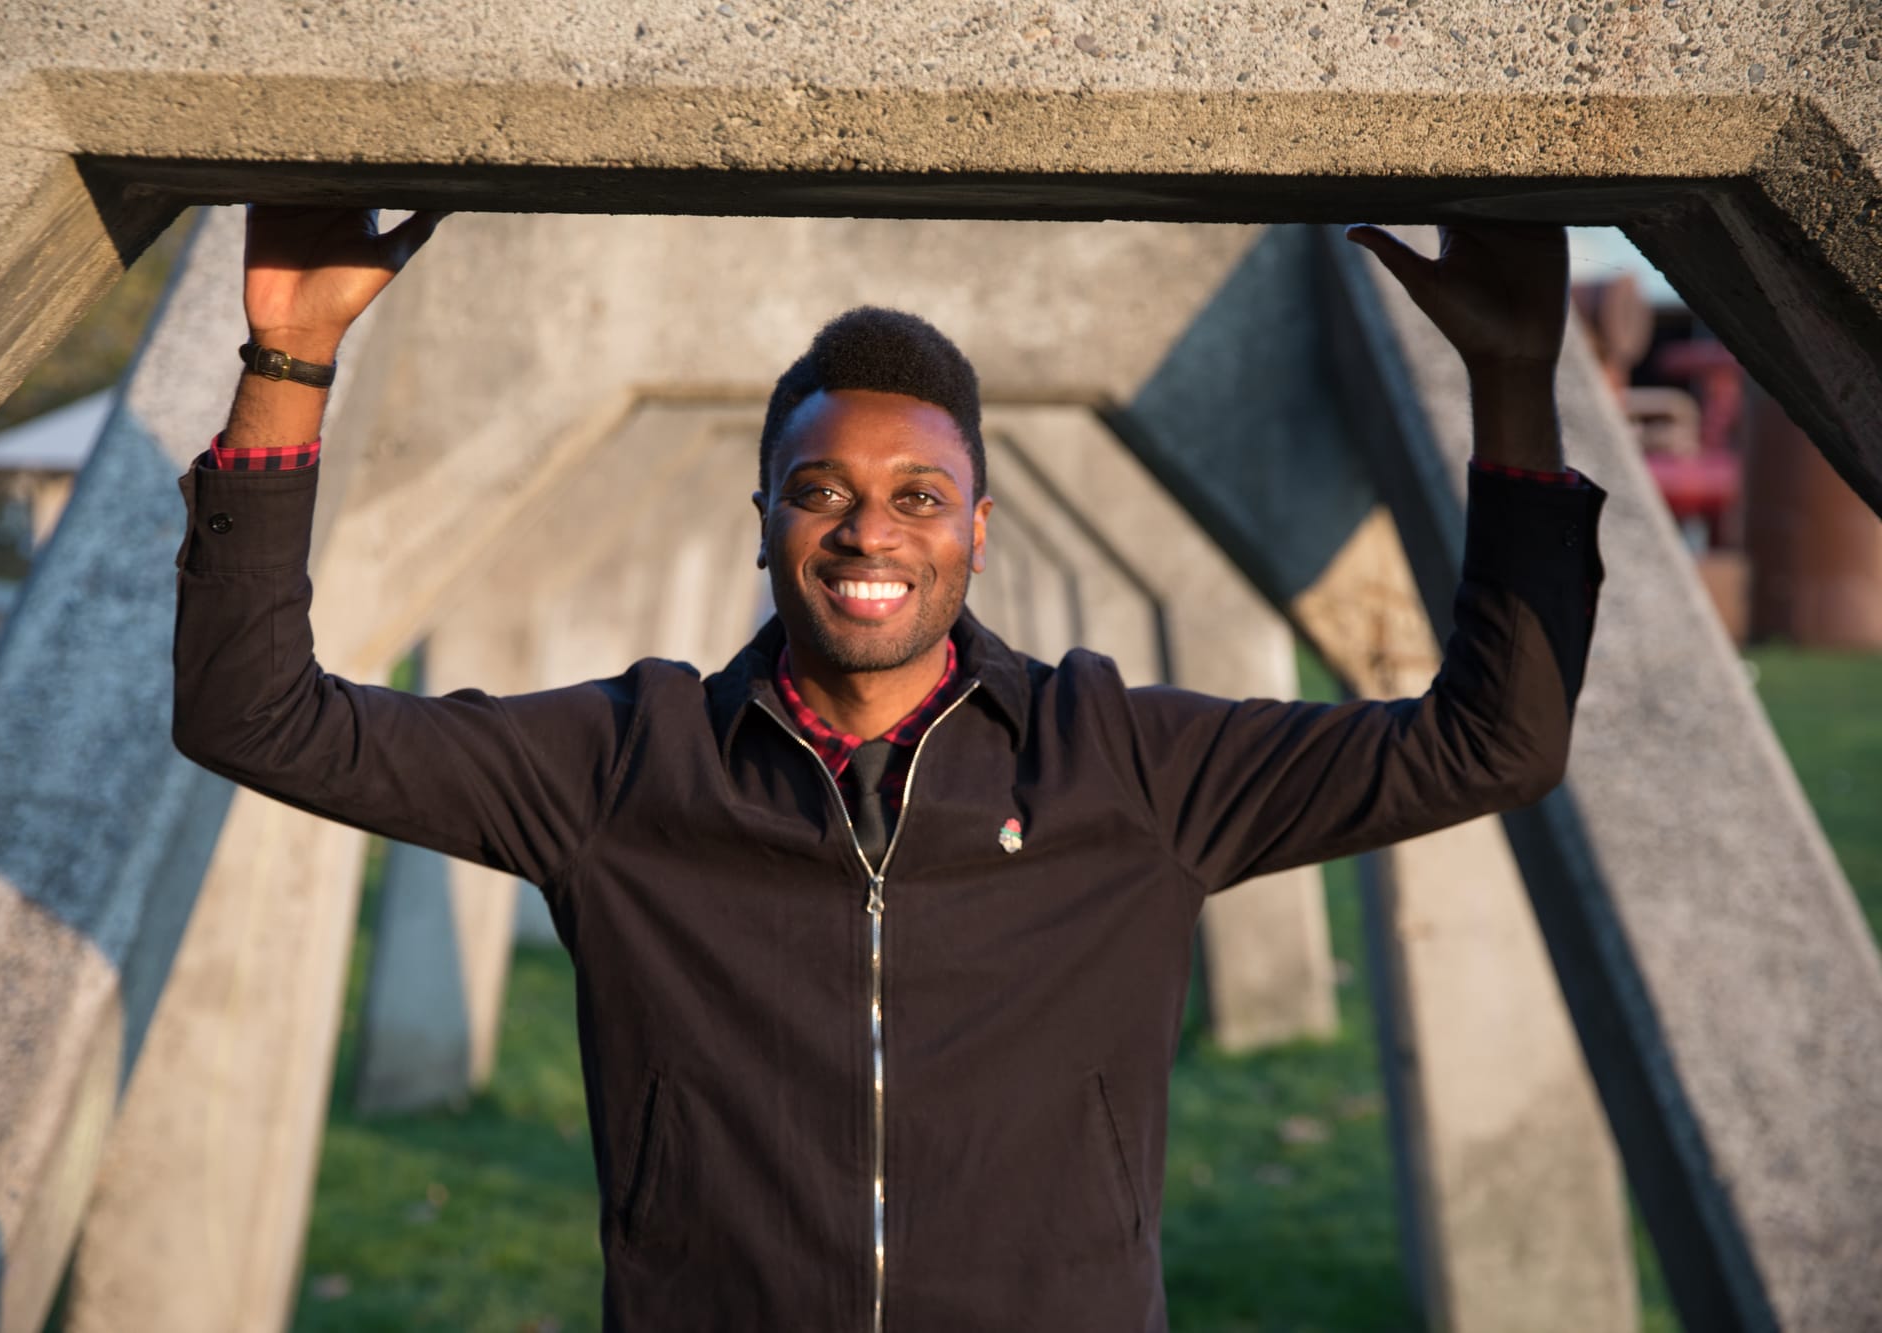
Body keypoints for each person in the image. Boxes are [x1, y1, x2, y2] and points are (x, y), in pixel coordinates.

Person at [174, 207, 1604, 1332]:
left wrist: (1513, 381)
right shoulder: (625, 763)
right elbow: (257, 714)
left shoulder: (1124, 764)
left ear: (978, 529)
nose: (871, 533)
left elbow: (1496, 740)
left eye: (919, 496)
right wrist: (289, 361)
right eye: (824, 492)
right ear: (764, 521)